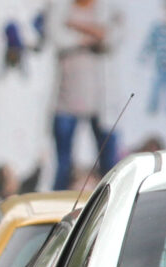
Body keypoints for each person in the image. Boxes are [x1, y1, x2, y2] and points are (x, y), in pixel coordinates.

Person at [51, 0, 118, 190]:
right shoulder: (62, 6)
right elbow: (58, 38)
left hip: (99, 102)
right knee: (63, 165)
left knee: (108, 164)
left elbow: (110, 37)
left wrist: (75, 25)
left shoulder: (105, 8)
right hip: (65, 101)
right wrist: (92, 34)